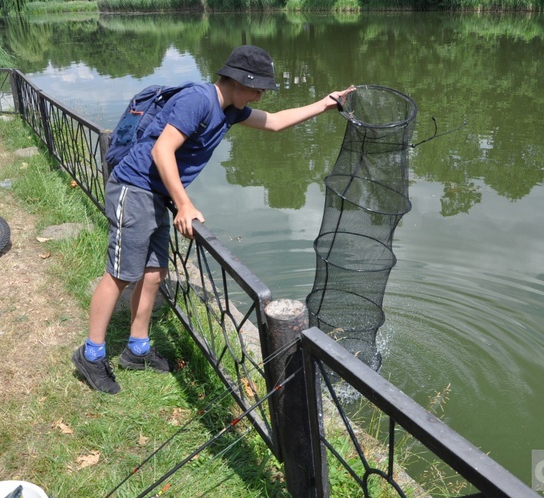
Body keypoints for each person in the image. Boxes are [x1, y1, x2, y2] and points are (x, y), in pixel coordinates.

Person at [72, 44, 356, 394]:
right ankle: (91, 354)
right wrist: (185, 204)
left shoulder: (230, 110)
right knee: (120, 274)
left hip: (156, 194)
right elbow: (162, 150)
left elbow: (277, 122)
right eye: (258, 87)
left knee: (153, 273)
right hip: (134, 188)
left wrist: (326, 103)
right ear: (239, 81)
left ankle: (137, 348)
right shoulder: (199, 101)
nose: (262, 94)